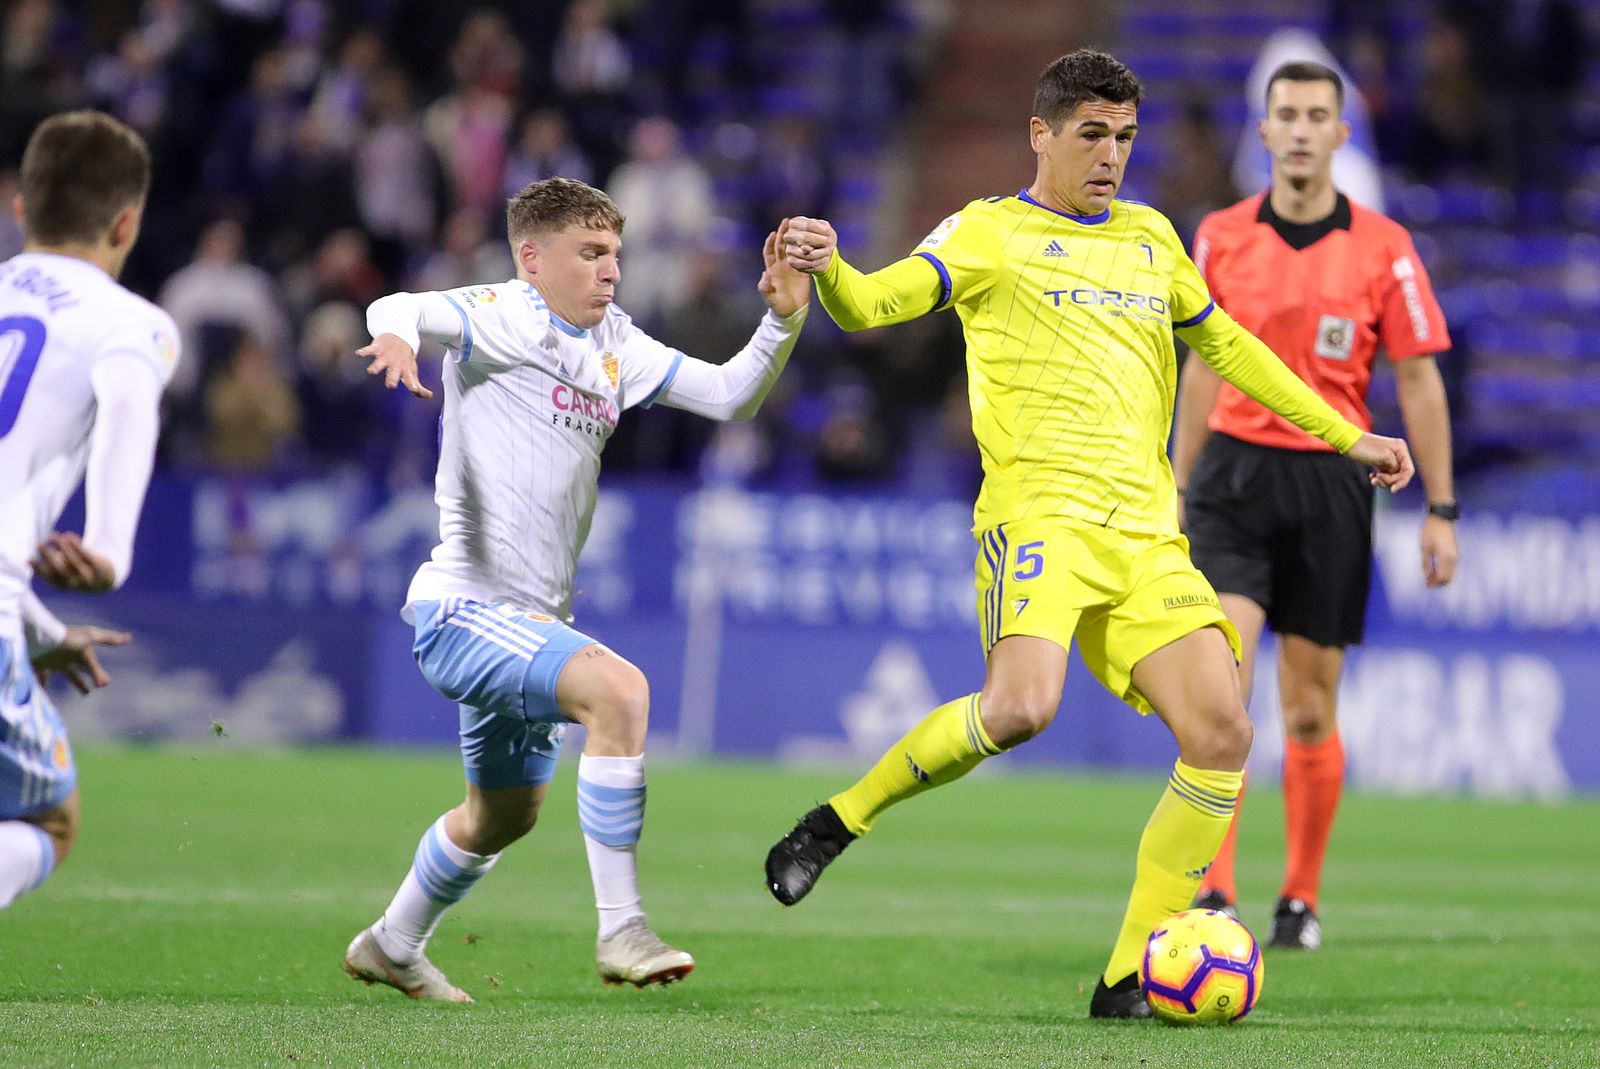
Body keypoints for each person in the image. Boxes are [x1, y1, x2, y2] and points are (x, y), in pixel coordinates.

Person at [760, 49, 1414, 1019]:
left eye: (1123, 138)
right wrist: (827, 273)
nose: (1109, 156)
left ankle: (1125, 979)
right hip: (1040, 519)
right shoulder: (989, 232)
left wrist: (1346, 436)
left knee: (1224, 729)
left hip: (1146, 534)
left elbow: (1230, 348)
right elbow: (876, 305)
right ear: (1042, 134)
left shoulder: (1151, 237)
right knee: (1021, 709)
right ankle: (837, 819)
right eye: (1091, 136)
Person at [345, 176, 809, 1002]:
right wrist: (395, 339)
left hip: (531, 620)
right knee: (619, 693)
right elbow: (401, 303)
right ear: (533, 258)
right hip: (465, 607)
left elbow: (733, 396)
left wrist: (782, 318)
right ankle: (622, 925)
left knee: (501, 817)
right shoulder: (503, 315)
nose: (611, 272)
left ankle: (392, 940)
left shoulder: (616, 345)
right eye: (591, 254)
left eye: (616, 256)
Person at [1172, 61, 1457, 949]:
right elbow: (1197, 368)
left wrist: (1441, 510)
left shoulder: (1385, 247)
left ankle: (1298, 897)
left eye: (1316, 116)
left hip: (1334, 483)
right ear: (1261, 134)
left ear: (1342, 133)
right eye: (1284, 115)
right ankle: (1213, 891)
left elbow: (1417, 377)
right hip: (1232, 479)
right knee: (1223, 690)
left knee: (1307, 707)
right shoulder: (1217, 236)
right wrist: (1174, 489)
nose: (1299, 129)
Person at [0, 110, 180, 910]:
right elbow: (128, 414)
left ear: (19, 206)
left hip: (13, 609)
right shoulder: (129, 325)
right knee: (49, 817)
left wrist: (40, 630)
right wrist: (108, 550)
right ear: (126, 221)